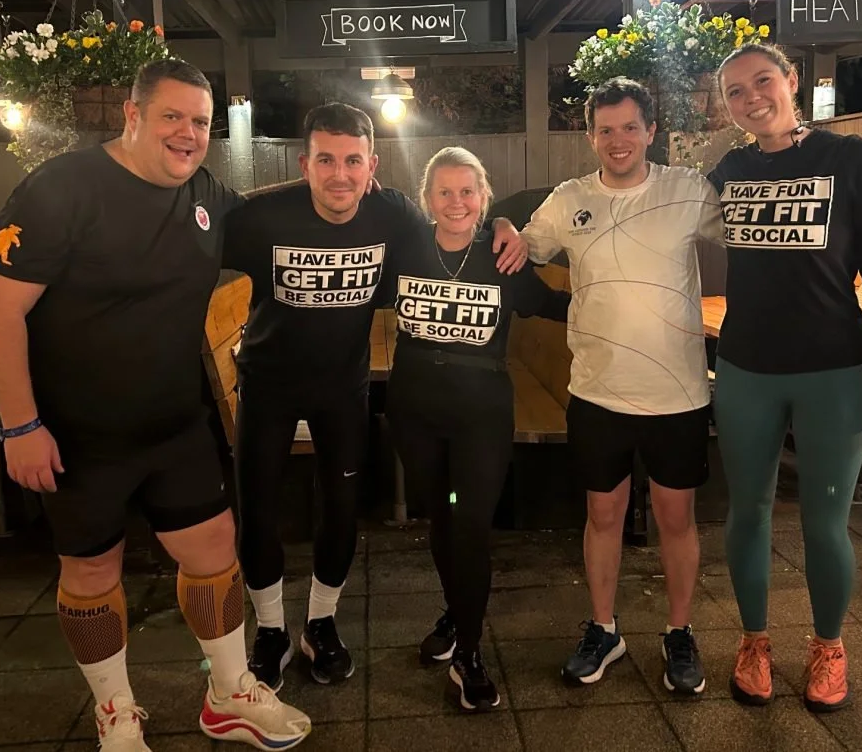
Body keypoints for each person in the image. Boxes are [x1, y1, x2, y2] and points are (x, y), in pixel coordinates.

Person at [0, 60, 312, 750]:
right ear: (132, 115)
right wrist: (20, 424)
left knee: (215, 550)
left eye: (200, 122)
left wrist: (341, 187)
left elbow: (269, 213)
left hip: (172, 423)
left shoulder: (207, 193)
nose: (188, 134)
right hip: (72, 433)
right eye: (173, 117)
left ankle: (227, 694)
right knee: (92, 571)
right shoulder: (61, 188)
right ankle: (117, 712)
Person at [221, 104, 528, 691]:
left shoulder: (392, 214)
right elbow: (201, 230)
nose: (340, 174)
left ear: (373, 167)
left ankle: (320, 623)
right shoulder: (263, 216)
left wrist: (506, 228)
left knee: (341, 508)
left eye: (353, 161)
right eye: (326, 160)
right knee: (257, 506)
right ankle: (269, 631)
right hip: (268, 384)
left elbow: (458, 219)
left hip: (343, 385)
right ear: (304, 163)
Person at [707, 43, 862, 713]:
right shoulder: (728, 170)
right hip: (745, 369)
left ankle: (828, 646)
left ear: (791, 82)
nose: (752, 98)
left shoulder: (850, 160)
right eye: (736, 91)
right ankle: (755, 641)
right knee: (749, 514)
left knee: (826, 523)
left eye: (762, 81)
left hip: (835, 369)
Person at [521, 77, 723, 695]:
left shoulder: (688, 191)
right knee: (602, 513)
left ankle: (679, 632)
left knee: (675, 517)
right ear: (590, 136)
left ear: (651, 131)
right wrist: (494, 226)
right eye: (605, 129)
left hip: (678, 394)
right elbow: (518, 249)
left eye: (630, 127)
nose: (618, 140)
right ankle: (604, 628)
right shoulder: (568, 198)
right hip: (597, 392)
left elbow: (756, 236)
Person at [384, 147, 571, 712]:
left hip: (481, 414)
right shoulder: (407, 246)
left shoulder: (502, 254)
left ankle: (468, 652)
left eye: (468, 191)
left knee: (469, 524)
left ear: (484, 195)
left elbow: (552, 303)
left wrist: (620, 297)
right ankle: (458, 608)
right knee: (440, 517)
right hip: (415, 409)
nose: (456, 202)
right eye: (444, 191)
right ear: (427, 200)